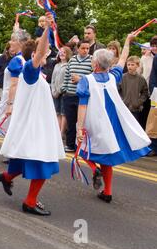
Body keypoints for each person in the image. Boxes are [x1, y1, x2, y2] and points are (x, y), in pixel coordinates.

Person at [0, 13, 65, 216]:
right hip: (35, 128)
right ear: (35, 54)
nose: (47, 54)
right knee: (45, 164)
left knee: (23, 160)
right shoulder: (30, 70)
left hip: (36, 126)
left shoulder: (37, 74)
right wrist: (47, 30)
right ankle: (30, 201)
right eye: (44, 53)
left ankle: (7, 177)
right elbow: (41, 50)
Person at [76, 34, 151, 203]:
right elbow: (123, 58)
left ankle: (95, 169)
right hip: (112, 123)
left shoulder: (86, 80)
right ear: (108, 64)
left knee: (83, 149)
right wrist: (127, 41)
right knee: (107, 155)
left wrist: (79, 127)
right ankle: (107, 192)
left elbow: (82, 105)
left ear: (94, 63)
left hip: (93, 121)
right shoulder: (113, 75)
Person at [61, 39, 92, 152]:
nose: (85, 50)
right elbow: (67, 75)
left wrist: (81, 79)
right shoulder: (72, 60)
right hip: (69, 94)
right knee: (70, 121)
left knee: (81, 122)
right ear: (78, 49)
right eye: (83, 48)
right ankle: (70, 144)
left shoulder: (92, 60)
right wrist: (64, 89)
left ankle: (81, 145)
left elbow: (93, 78)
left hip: (82, 96)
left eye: (87, 48)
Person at [119, 56, 149, 122]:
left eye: (132, 65)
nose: (130, 66)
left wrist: (139, 102)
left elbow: (145, 92)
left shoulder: (141, 79)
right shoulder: (122, 77)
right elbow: (117, 90)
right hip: (124, 107)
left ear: (137, 65)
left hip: (135, 109)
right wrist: (121, 100)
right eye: (128, 64)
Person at [51, 46, 73, 135]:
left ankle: (61, 132)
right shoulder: (56, 65)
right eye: (60, 52)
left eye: (64, 52)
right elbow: (53, 79)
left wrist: (60, 90)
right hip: (55, 93)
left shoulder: (69, 65)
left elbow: (67, 79)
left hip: (64, 92)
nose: (62, 54)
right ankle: (57, 131)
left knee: (63, 113)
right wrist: (53, 90)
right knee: (57, 112)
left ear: (67, 54)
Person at [146, 36, 157, 156]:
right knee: (154, 121)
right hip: (156, 94)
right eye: (153, 45)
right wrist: (154, 91)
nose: (154, 48)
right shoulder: (156, 58)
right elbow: (153, 77)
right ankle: (154, 147)